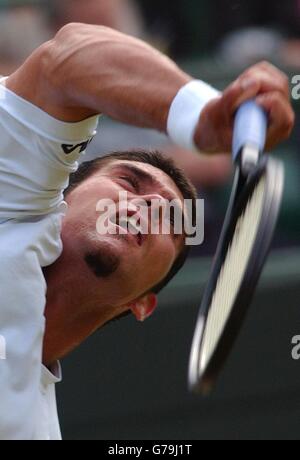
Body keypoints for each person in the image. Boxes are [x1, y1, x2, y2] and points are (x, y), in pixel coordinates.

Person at [0, 23, 294, 440]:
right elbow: (67, 58)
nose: (152, 205)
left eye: (174, 221)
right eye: (128, 182)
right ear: (60, 196)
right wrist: (204, 115)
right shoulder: (9, 203)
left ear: (143, 304)